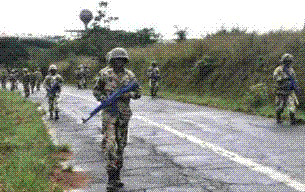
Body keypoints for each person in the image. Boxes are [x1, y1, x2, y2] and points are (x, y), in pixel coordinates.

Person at [93, 48, 141, 190]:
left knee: (121, 146)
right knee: (110, 145)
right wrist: (103, 98)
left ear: (125, 60)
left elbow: (138, 93)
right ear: (112, 60)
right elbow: (96, 90)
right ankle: (110, 178)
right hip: (109, 114)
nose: (119, 62)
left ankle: (117, 176)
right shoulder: (104, 74)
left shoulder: (130, 75)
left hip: (124, 115)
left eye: (121, 59)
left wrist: (127, 95)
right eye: (116, 59)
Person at [273, 53, 299, 125]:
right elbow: (275, 78)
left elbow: (294, 78)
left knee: (292, 106)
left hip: (289, 91)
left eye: (290, 61)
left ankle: (293, 120)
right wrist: (284, 78)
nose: (289, 63)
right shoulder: (278, 69)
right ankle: (278, 118)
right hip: (281, 91)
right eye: (288, 61)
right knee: (280, 108)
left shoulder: (291, 70)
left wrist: (295, 86)